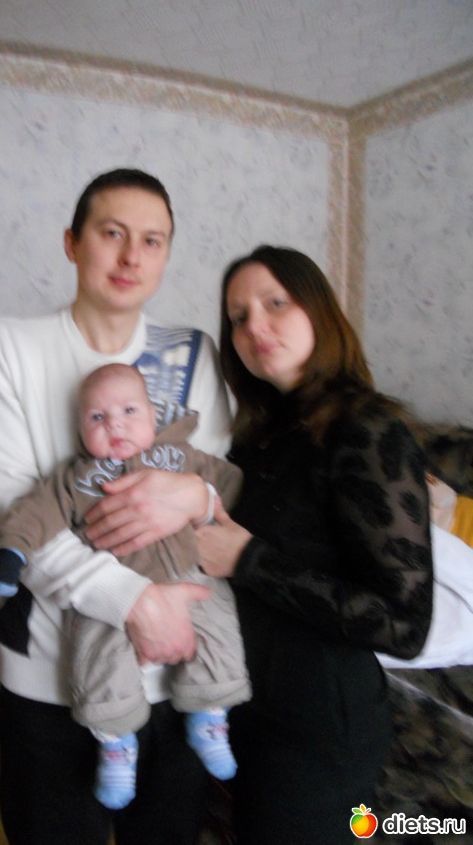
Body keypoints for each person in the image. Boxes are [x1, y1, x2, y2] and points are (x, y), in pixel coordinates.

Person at [0, 168, 233, 845]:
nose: (131, 256)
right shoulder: (9, 345)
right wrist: (133, 601)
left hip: (174, 674)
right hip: (47, 679)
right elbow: (14, 512)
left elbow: (214, 498)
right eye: (112, 233)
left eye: (152, 240)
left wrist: (195, 495)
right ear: (72, 243)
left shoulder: (191, 353)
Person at [195, 245, 434, 844]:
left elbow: (404, 624)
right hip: (247, 706)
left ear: (318, 311)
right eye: (239, 316)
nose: (255, 325)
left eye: (275, 303)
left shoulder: (369, 431)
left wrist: (248, 559)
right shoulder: (258, 437)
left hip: (319, 726)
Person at [0, 363, 251, 810]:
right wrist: (10, 552)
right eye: (97, 417)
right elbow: (33, 513)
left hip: (190, 571)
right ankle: (115, 742)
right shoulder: (77, 478)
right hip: (115, 582)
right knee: (96, 650)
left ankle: (210, 714)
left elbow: (235, 486)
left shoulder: (181, 456)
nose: (114, 424)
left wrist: (207, 499)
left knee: (219, 619)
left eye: (129, 411)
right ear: (79, 428)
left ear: (154, 415)